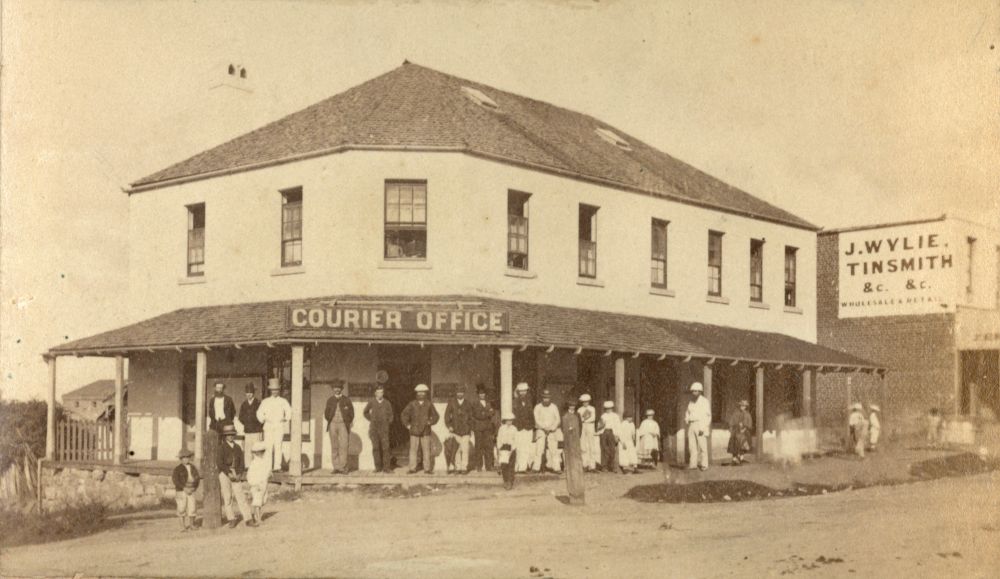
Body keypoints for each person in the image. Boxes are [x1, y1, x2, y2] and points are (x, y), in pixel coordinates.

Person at [217, 424, 251, 528]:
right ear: (225, 436)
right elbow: (219, 463)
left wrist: (240, 473)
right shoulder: (221, 448)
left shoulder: (238, 447)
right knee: (227, 497)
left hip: (236, 473)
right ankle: (231, 518)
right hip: (225, 473)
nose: (230, 436)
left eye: (232, 434)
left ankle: (248, 518)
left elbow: (241, 463)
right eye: (228, 435)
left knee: (240, 496)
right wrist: (228, 472)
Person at [401, 384, 439, 474]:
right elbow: (404, 414)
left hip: (425, 431)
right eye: (419, 393)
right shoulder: (412, 404)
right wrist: (407, 425)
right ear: (416, 394)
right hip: (414, 431)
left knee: (426, 450)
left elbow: (436, 416)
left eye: (423, 393)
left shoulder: (429, 404)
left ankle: (427, 469)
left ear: (425, 394)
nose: (421, 394)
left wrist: (430, 422)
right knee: (413, 450)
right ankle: (412, 468)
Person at [256, 379, 291, 472]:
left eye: (276, 390)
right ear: (270, 391)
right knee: (268, 446)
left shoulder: (283, 401)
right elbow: (259, 413)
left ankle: (277, 467)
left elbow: (289, 411)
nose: (274, 391)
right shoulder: (265, 401)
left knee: (278, 446)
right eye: (273, 390)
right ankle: (268, 466)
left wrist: (285, 418)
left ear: (279, 390)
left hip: (279, 426)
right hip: (268, 426)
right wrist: (263, 419)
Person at [324, 380, 354, 474]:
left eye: (339, 388)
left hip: (343, 425)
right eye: (335, 388)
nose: (337, 389)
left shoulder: (346, 400)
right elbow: (326, 413)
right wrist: (331, 419)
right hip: (333, 424)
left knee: (344, 445)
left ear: (341, 389)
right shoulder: (330, 400)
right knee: (334, 445)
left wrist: (346, 421)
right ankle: (336, 467)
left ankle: (343, 467)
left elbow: (351, 413)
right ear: (333, 389)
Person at [363, 385, 394, 473]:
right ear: (375, 393)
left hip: (384, 429)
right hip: (374, 429)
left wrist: (388, 422)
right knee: (376, 448)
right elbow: (365, 412)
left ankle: (386, 468)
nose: (380, 394)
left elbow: (391, 415)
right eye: (378, 392)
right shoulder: (372, 402)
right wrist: (371, 419)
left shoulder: (387, 403)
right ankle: (378, 467)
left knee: (386, 448)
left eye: (381, 392)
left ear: (383, 393)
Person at [444, 387, 473, 474]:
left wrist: (469, 428)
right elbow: (446, 416)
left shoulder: (468, 403)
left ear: (464, 393)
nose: (460, 394)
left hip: (465, 431)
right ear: (456, 393)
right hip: (455, 430)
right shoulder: (452, 402)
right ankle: (458, 467)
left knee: (465, 449)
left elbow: (471, 417)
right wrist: (449, 426)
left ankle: (464, 468)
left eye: (461, 392)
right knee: (456, 450)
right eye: (458, 392)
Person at [532, 389, 562, 473]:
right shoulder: (538, 407)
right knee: (539, 449)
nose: (546, 400)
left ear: (550, 398)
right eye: (544, 398)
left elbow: (557, 419)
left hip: (552, 431)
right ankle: (536, 468)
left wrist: (551, 428)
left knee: (553, 449)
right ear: (542, 398)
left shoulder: (554, 407)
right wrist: (544, 428)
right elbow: (536, 419)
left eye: (548, 398)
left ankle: (556, 468)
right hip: (541, 430)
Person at [561, 402, 585, 504]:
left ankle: (580, 494)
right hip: (569, 444)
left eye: (574, 406)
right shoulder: (565, 417)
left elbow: (580, 429)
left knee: (578, 467)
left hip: (576, 444)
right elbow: (564, 430)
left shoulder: (576, 416)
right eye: (570, 406)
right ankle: (573, 495)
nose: (572, 408)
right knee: (571, 468)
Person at [471, 385, 498, 472]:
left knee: (488, 446)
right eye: (480, 393)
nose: (482, 395)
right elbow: (475, 415)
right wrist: (486, 413)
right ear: (478, 394)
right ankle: (479, 466)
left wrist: (485, 414)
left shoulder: (489, 403)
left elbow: (492, 413)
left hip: (487, 427)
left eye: (483, 393)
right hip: (478, 427)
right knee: (478, 446)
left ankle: (488, 466)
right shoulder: (475, 403)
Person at [171, 449, 200, 532]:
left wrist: (194, 487)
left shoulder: (193, 467)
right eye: (184, 458)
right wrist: (184, 488)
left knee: (192, 507)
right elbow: (175, 480)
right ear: (181, 459)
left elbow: (197, 478)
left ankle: (192, 524)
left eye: (188, 457)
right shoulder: (177, 469)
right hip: (181, 490)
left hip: (191, 489)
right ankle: (182, 526)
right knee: (181, 508)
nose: (186, 459)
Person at [685, 382, 711, 471]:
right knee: (692, 446)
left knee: (702, 446)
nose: (694, 393)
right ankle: (693, 464)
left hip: (700, 424)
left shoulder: (704, 401)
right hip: (692, 424)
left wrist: (702, 428)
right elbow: (688, 412)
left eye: (696, 391)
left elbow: (707, 416)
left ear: (700, 392)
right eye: (693, 391)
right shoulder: (691, 402)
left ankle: (704, 464)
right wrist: (687, 419)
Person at [245, 441, 271, 527]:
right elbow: (250, 475)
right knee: (257, 502)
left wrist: (268, 474)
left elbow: (266, 471)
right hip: (257, 485)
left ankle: (256, 515)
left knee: (262, 500)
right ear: (255, 453)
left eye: (262, 452)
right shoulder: (254, 463)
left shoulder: (263, 462)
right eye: (259, 452)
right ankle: (258, 518)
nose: (261, 453)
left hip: (263, 484)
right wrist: (254, 484)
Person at [238, 383, 263, 468]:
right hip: (248, 430)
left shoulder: (258, 403)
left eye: (250, 393)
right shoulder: (244, 404)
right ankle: (248, 466)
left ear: (253, 393)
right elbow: (240, 417)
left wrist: (255, 422)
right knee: (248, 449)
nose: (249, 394)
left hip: (256, 430)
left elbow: (262, 416)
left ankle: (257, 466)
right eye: (247, 393)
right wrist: (247, 422)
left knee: (256, 448)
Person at [512, 382, 535, 473]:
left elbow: (531, 415)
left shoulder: (529, 401)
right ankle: (516, 467)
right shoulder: (515, 402)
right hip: (519, 428)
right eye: (521, 391)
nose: (523, 393)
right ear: (518, 392)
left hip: (528, 428)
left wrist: (531, 427)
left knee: (526, 448)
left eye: (524, 391)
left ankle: (523, 467)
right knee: (518, 447)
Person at [577, 394, 600, 472]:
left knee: (591, 446)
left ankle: (592, 466)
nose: (585, 403)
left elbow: (593, 418)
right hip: (583, 427)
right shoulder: (579, 410)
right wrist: (583, 420)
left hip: (590, 426)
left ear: (589, 401)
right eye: (583, 402)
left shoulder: (592, 408)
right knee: (583, 445)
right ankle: (584, 465)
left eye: (586, 402)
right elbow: (579, 419)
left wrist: (584, 419)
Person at [496, 412, 518, 490]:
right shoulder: (501, 428)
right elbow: (499, 438)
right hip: (503, 448)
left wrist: (512, 450)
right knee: (504, 466)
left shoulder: (514, 428)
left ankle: (510, 482)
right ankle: (506, 481)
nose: (509, 422)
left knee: (511, 466)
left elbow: (515, 440)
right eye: (508, 420)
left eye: (511, 420)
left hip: (511, 448)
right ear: (505, 420)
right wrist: (499, 449)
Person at [597, 401, 621, 473]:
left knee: (612, 450)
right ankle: (604, 466)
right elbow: (599, 426)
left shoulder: (615, 416)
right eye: (607, 408)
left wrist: (617, 435)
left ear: (612, 408)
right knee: (604, 449)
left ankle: (612, 466)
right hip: (604, 432)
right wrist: (601, 428)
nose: (608, 410)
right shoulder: (603, 416)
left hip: (612, 432)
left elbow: (617, 426)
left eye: (610, 408)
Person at [727, 400, 752, 465]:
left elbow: (749, 424)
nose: (742, 407)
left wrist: (745, 428)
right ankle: (734, 459)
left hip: (745, 431)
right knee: (735, 444)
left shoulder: (747, 414)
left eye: (744, 406)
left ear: (746, 407)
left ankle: (741, 458)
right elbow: (732, 422)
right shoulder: (736, 413)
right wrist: (734, 428)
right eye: (741, 405)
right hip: (736, 431)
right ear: (739, 406)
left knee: (744, 444)